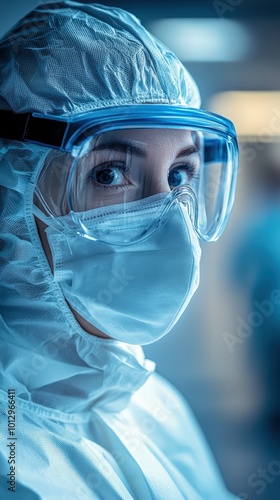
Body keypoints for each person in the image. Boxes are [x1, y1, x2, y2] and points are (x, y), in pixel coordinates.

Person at [0, 2, 239, 498]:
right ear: (10, 191)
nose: (168, 216)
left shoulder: (155, 407)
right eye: (109, 174)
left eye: (180, 175)